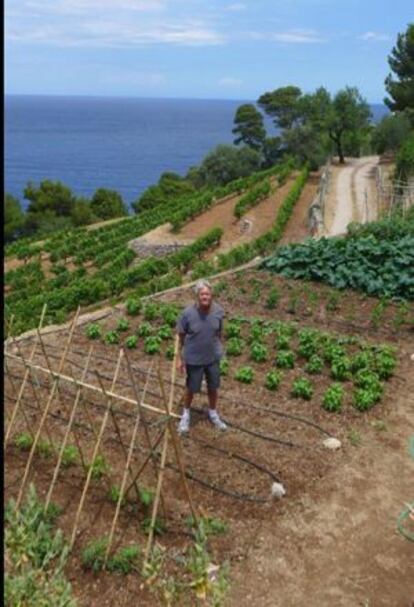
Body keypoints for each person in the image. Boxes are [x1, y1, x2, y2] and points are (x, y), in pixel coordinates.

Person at [176, 279, 227, 434]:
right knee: (191, 388)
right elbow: (181, 335)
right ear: (197, 296)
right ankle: (185, 414)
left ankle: (213, 413)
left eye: (207, 293)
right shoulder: (187, 314)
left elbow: (219, 333)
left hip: (212, 357)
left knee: (213, 387)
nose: (205, 296)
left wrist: (219, 349)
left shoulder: (218, 311)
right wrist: (180, 357)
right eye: (202, 294)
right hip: (194, 358)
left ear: (212, 295)